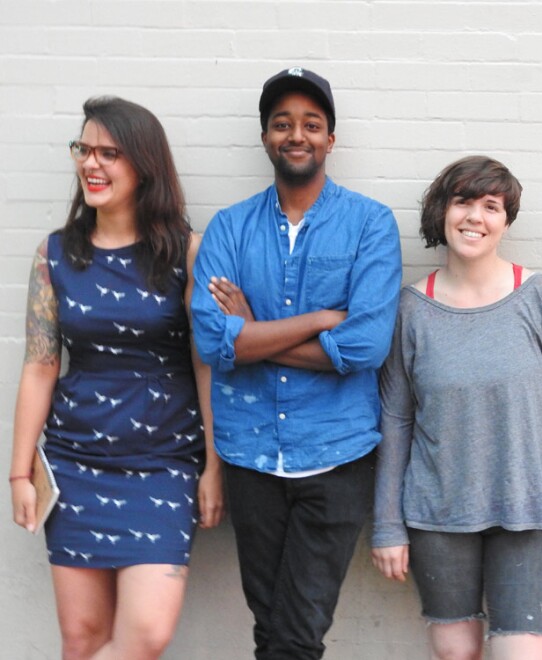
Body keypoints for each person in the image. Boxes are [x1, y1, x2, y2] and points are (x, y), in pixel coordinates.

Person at [190, 67, 402, 659]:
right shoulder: (230, 228)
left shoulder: (369, 224)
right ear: (265, 137)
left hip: (335, 456)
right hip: (249, 456)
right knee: (273, 630)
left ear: (330, 138)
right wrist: (319, 320)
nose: (296, 134)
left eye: (311, 124)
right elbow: (211, 342)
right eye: (282, 124)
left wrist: (250, 333)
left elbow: (363, 348)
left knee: (295, 635)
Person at [9, 96, 224, 660]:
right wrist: (19, 474)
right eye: (83, 149)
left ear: (144, 165)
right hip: (74, 464)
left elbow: (207, 362)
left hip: (163, 465)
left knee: (146, 634)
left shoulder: (187, 253)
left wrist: (214, 464)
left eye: (109, 153)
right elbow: (40, 365)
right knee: (82, 638)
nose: (91, 164)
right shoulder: (55, 255)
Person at [371, 156, 542, 660]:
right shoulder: (411, 309)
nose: (475, 217)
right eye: (463, 202)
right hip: (437, 516)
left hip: (527, 514)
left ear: (506, 220)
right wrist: (387, 524)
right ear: (442, 212)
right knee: (455, 653)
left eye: (491, 206)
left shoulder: (539, 298)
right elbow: (396, 419)